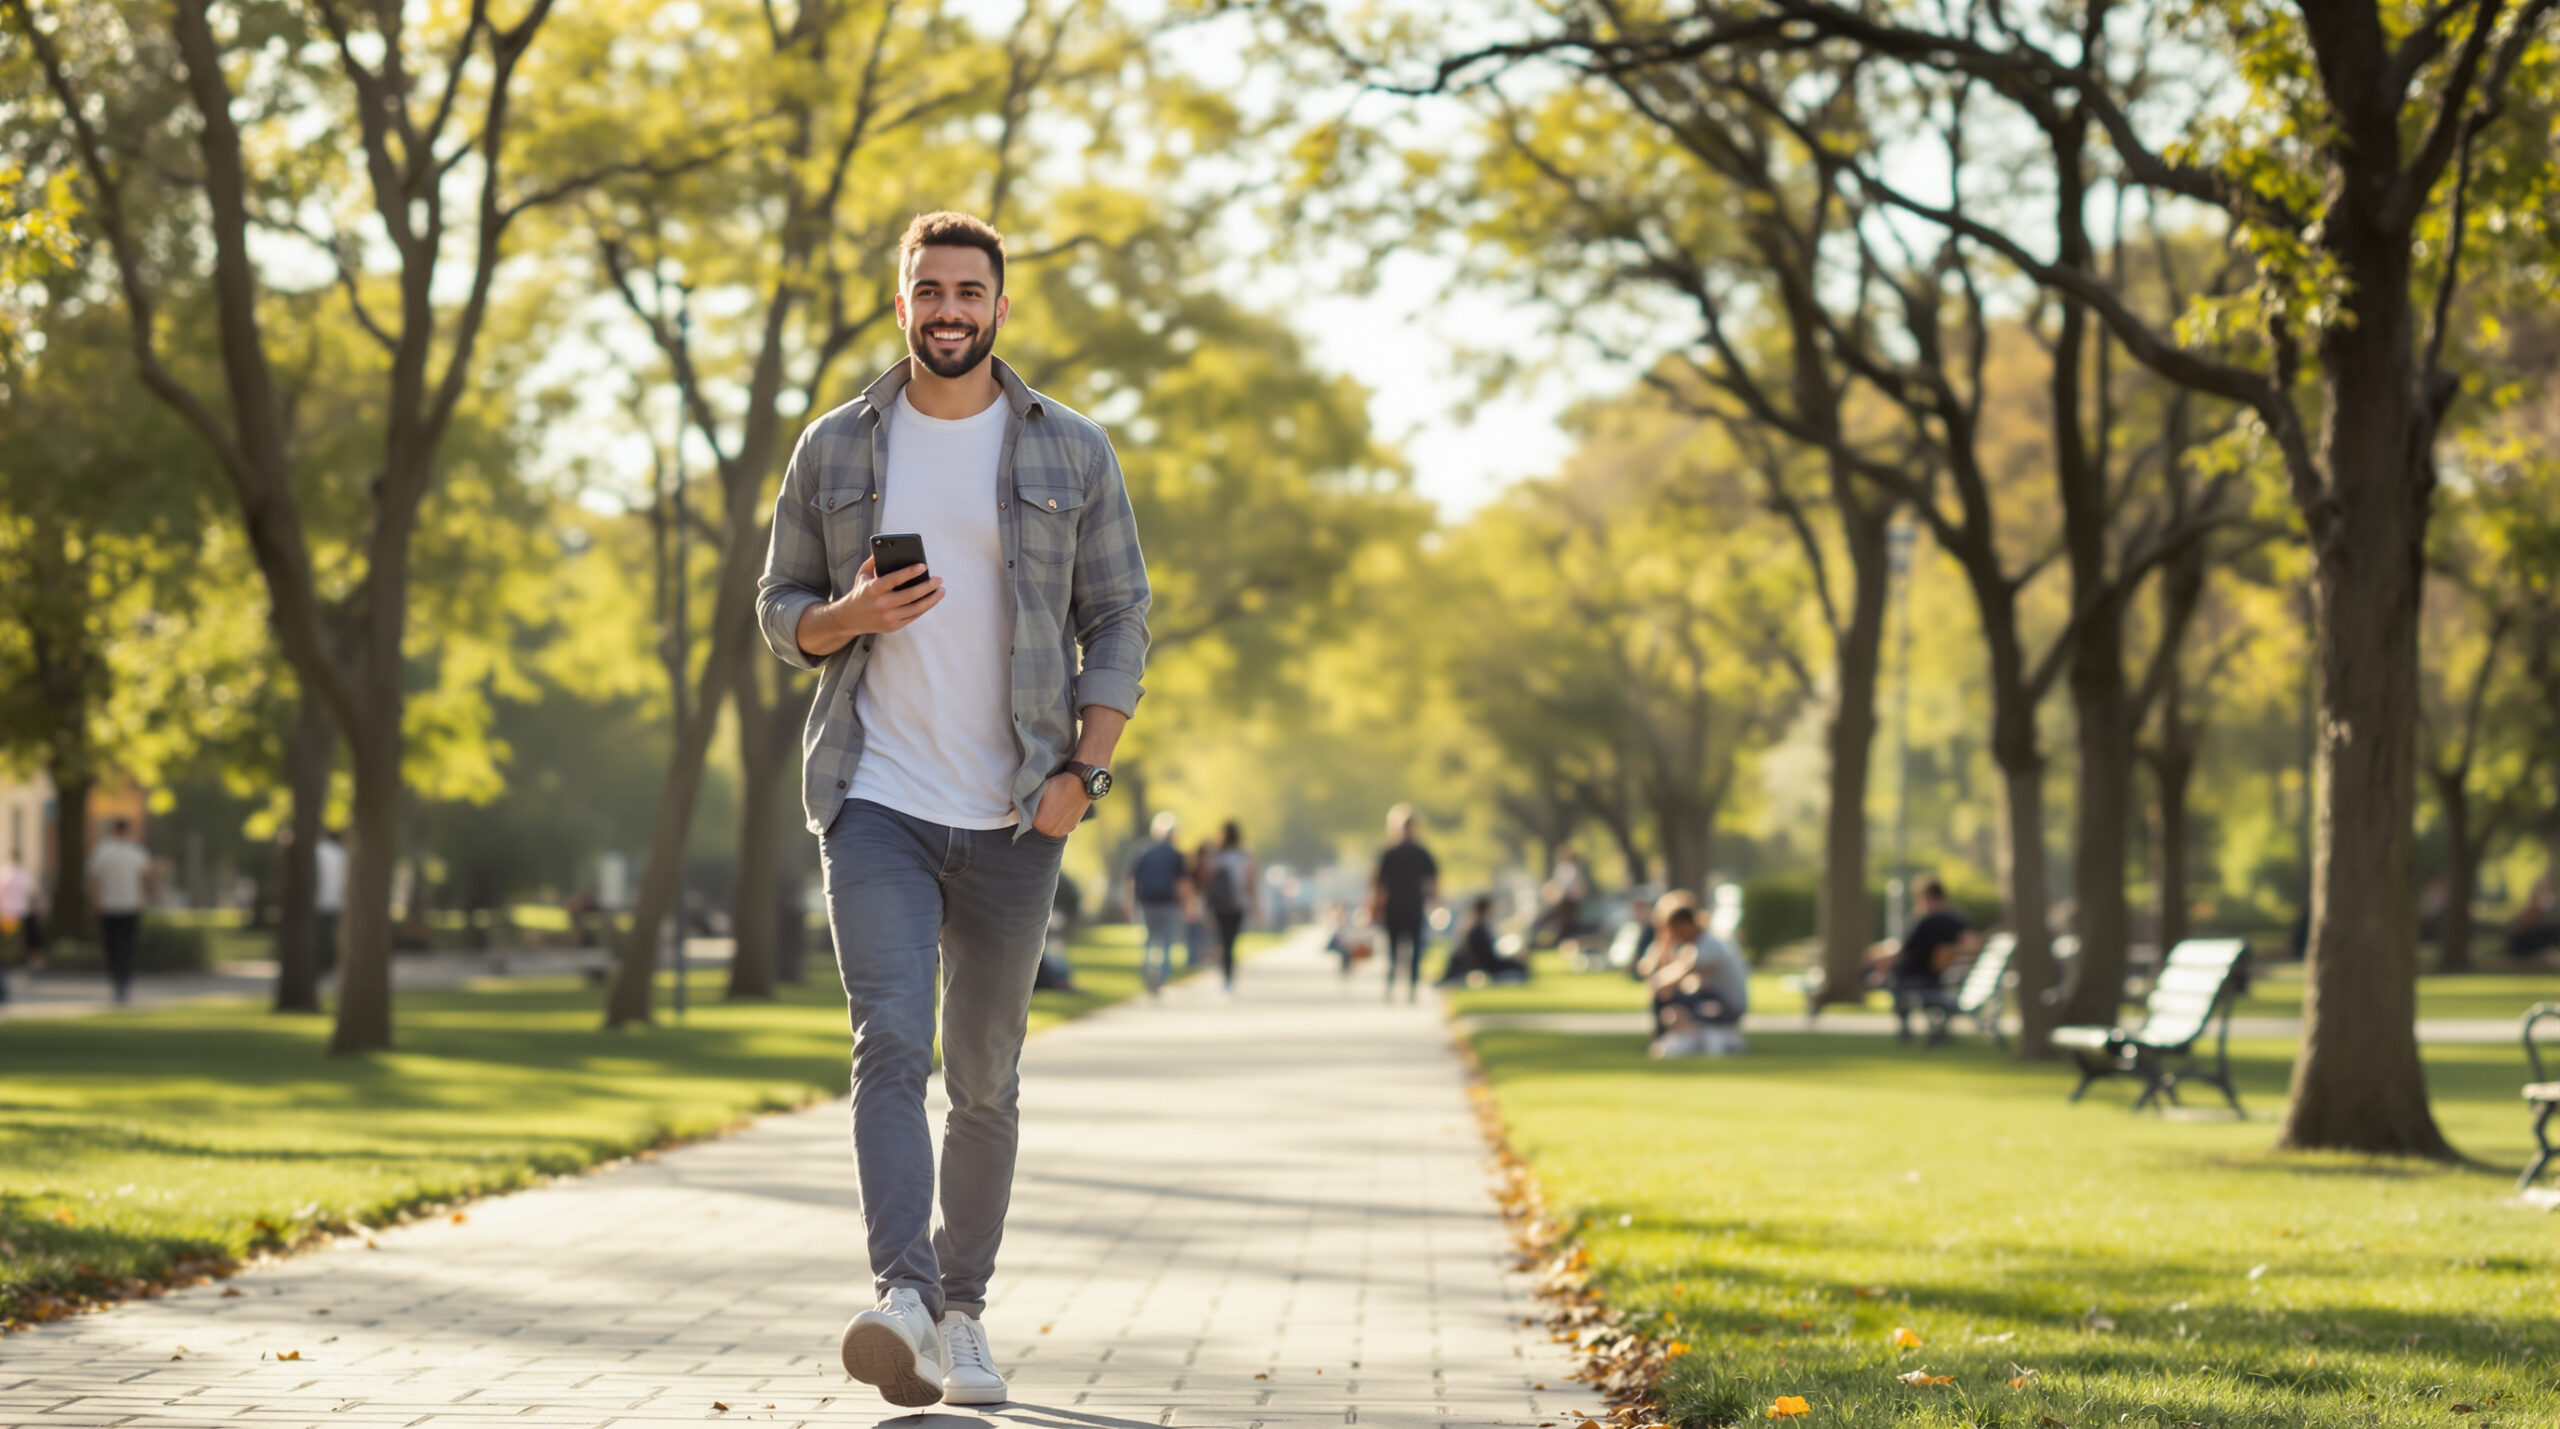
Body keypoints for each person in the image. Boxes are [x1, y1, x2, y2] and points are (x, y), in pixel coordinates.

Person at [752, 211, 1150, 1411]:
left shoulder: (1069, 449)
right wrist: (847, 619)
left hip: (1019, 810)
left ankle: (962, 1312)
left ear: (999, 308)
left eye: (969, 291)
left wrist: (1085, 770)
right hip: (873, 791)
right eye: (928, 289)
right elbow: (781, 609)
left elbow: (1121, 614)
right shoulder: (834, 446)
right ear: (900, 305)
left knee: (984, 1077)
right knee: (888, 1041)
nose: (949, 309)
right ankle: (904, 1295)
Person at [1640, 892, 1750, 1057]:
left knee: (1668, 998)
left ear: (1685, 924)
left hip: (1726, 1005)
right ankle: (1676, 1036)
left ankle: (1665, 1038)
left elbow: (1681, 973)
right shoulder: (1702, 942)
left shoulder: (1708, 944)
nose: (1675, 936)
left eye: (1675, 930)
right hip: (1713, 998)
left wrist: (1658, 982)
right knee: (1672, 999)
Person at [1888, 875, 1980, 1046]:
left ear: (1927, 897)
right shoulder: (1956, 920)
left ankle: (1905, 1029)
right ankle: (1936, 1028)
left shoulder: (1923, 921)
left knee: (1894, 978)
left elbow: (1905, 951)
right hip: (1943, 978)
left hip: (1919, 978)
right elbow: (1971, 944)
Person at [1369, 804, 1439, 1003]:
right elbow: (1379, 884)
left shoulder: (1398, 853)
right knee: (1400, 950)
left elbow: (1431, 882)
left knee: (1406, 950)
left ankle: (1406, 987)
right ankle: (1400, 986)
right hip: (1400, 908)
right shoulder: (1404, 853)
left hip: (1408, 907)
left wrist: (1374, 907)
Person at [86, 819, 153, 1005]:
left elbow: (94, 880)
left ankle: (118, 980)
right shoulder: (137, 852)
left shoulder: (102, 851)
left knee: (112, 946)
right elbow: (145, 878)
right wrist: (145, 899)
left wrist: (95, 902)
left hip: (109, 905)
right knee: (127, 945)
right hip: (131, 905)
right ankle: (123, 981)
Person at [1126, 812, 1191, 997]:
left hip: (1146, 903)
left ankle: (1148, 979)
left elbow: (1131, 880)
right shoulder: (1175, 854)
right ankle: (1160, 981)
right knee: (1167, 944)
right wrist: (1186, 907)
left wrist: (1130, 902)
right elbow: (1182, 884)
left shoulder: (1143, 851)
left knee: (1148, 943)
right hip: (1168, 904)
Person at [1203, 822, 1255, 994]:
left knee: (1222, 941)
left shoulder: (1215, 856)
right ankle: (1228, 976)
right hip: (1237, 904)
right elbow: (1250, 883)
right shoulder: (1244, 856)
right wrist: (1254, 903)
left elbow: (1207, 881)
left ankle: (1225, 976)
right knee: (1230, 942)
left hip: (1219, 905)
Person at [1438, 896, 1529, 985]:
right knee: (1519, 968)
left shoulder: (1474, 927)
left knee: (1518, 965)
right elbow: (1488, 957)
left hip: (1485, 964)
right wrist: (1512, 961)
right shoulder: (1478, 929)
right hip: (1486, 967)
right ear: (1486, 909)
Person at [313, 828, 348, 977]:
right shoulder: (339, 853)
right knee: (331, 934)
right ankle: (330, 963)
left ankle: (321, 963)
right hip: (336, 901)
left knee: (320, 935)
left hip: (319, 901)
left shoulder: (317, 852)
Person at [0, 850, 27, 1003]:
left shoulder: (6, 873)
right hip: (14, 914)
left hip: (8, 914)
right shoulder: (20, 874)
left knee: (6, 950)